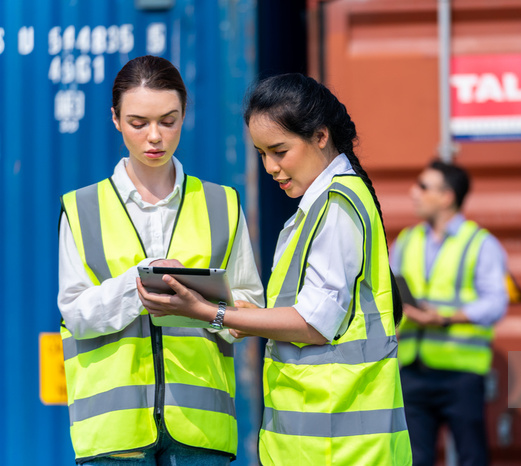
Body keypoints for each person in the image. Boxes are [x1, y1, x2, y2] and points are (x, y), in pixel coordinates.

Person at [137, 73, 412, 465]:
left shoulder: (335, 207)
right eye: (261, 153)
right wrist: (249, 317)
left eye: (279, 151)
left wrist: (208, 312)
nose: (269, 166)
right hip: (323, 443)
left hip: (340, 447)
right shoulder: (324, 205)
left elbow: (315, 325)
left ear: (320, 136)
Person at [58, 55, 265, 465]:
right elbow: (75, 313)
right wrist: (141, 283)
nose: (155, 136)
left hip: (201, 431)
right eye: (139, 123)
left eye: (168, 121)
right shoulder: (81, 208)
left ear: (184, 115)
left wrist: (204, 308)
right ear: (115, 119)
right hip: (113, 435)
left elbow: (251, 307)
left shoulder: (222, 204)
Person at [390, 160, 509, 466]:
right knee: (413, 459)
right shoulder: (406, 241)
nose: (412, 192)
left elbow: (496, 301)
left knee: (471, 457)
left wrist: (444, 318)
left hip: (461, 374)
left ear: (447, 197)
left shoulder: (480, 244)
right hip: (413, 369)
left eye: (423, 187)